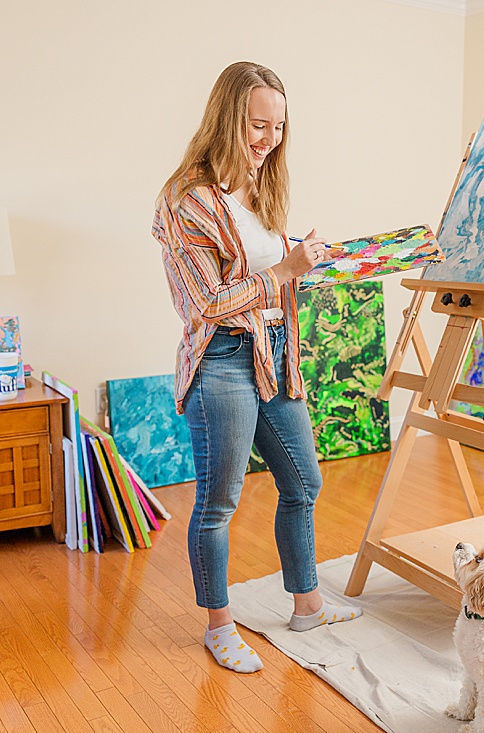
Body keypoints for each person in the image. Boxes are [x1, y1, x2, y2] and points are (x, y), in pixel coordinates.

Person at [152, 61, 361, 674]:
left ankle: (307, 605)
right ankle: (219, 626)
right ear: (225, 119)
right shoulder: (185, 198)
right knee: (219, 502)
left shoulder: (263, 185)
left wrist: (304, 259)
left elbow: (266, 270)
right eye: (255, 125)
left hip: (273, 355)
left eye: (277, 126)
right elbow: (206, 303)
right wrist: (283, 271)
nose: (268, 139)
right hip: (219, 361)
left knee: (304, 483)